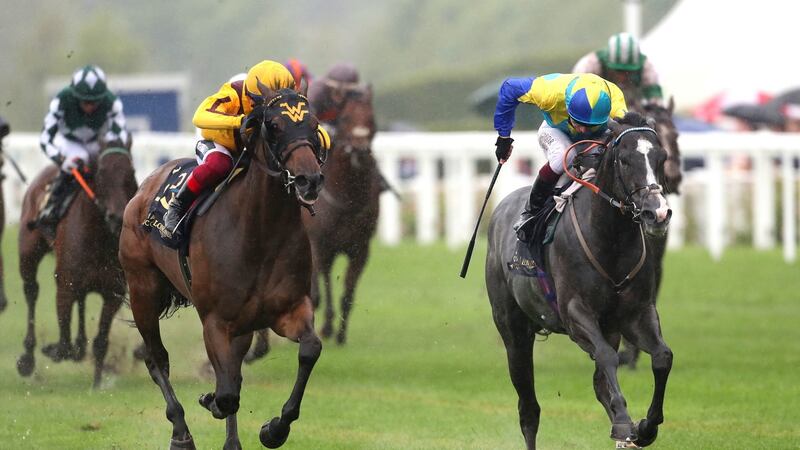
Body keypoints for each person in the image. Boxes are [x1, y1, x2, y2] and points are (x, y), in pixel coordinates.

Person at [163, 60, 330, 233]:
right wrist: (240, 121)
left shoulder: (287, 103)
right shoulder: (233, 93)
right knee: (219, 164)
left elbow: (319, 136)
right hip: (221, 142)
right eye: (261, 103)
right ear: (251, 94)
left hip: (251, 146)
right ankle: (178, 205)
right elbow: (199, 117)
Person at [493, 73, 627, 242]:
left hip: (597, 137)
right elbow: (509, 88)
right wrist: (504, 137)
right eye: (578, 122)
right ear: (568, 107)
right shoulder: (548, 93)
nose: (583, 130)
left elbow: (629, 133)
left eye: (590, 125)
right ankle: (531, 212)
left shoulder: (616, 101)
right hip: (555, 130)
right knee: (564, 156)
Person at [37, 64, 129, 230]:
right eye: (86, 101)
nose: (90, 106)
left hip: (97, 142)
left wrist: (111, 151)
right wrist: (61, 160)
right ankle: (51, 208)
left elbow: (120, 134)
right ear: (75, 95)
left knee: (116, 166)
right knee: (81, 158)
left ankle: (131, 210)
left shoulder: (112, 102)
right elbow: (45, 138)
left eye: (95, 101)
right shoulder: (62, 99)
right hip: (69, 142)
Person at [572, 32, 663, 106]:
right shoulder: (588, 66)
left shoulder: (647, 69)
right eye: (618, 71)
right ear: (607, 61)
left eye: (629, 71)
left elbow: (656, 103)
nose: (623, 77)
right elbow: (574, 98)